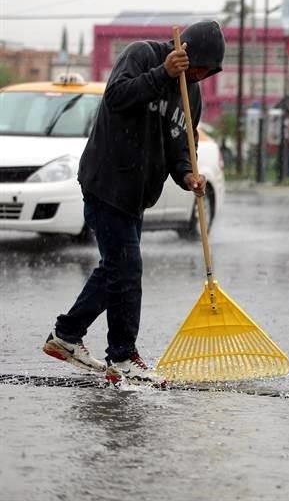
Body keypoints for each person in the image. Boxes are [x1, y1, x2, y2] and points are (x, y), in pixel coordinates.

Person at [42, 20, 226, 384]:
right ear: (185, 53)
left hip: (138, 193)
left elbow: (180, 147)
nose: (199, 78)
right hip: (107, 180)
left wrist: (189, 174)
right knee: (127, 269)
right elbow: (117, 96)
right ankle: (122, 357)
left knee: (115, 268)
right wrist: (162, 73)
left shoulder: (192, 94)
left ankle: (66, 335)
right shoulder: (142, 56)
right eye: (197, 68)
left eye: (207, 73)